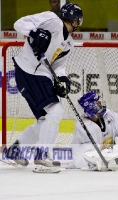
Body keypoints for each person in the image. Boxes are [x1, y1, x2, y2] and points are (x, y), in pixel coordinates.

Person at [4, 3, 83, 169]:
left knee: (44, 120)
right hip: (28, 70)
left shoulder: (69, 43)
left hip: (40, 75)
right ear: (76, 20)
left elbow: (58, 66)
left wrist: (63, 81)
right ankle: (42, 155)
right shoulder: (51, 20)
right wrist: (34, 32)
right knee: (56, 111)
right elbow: (19, 23)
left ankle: (15, 151)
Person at [71, 91, 118, 170]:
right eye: (97, 103)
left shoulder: (109, 115)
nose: (100, 104)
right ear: (91, 108)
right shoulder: (84, 127)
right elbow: (87, 156)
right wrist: (106, 158)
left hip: (110, 159)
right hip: (87, 169)